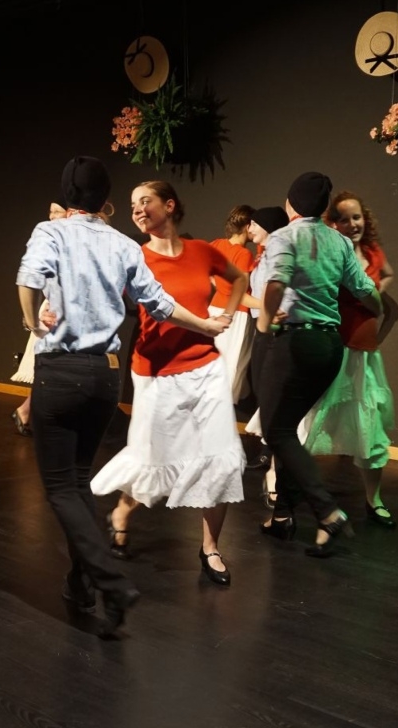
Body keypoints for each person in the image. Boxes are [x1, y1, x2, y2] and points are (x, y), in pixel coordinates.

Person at [16, 156, 226, 637]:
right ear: (104, 199)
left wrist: (33, 325)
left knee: (62, 488)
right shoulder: (123, 244)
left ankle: (110, 582)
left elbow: (28, 281)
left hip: (61, 371)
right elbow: (161, 304)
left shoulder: (51, 232)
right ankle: (81, 582)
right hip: (105, 377)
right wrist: (205, 324)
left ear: (67, 195)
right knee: (78, 482)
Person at [90, 181, 248, 587]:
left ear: (170, 205)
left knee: (220, 457)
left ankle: (210, 547)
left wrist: (227, 315)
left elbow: (238, 278)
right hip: (156, 372)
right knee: (153, 459)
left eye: (145, 201)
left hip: (206, 367)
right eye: (132, 204)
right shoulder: (134, 257)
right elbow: (104, 298)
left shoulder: (201, 251)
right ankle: (123, 510)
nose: (137, 210)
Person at [253, 172, 381, 558]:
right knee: (288, 430)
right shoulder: (338, 241)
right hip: (328, 346)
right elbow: (366, 290)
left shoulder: (284, 237)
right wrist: (379, 312)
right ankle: (282, 516)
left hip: (295, 342)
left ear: (290, 203)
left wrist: (264, 324)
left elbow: (276, 284)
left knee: (276, 431)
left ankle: (327, 512)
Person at [300, 192, 398, 528]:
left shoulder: (372, 252)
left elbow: (387, 274)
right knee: (311, 421)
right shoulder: (330, 253)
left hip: (365, 354)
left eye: (357, 217)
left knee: (371, 428)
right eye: (344, 219)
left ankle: (374, 500)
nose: (353, 224)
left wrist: (377, 295)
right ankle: (283, 490)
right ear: (332, 223)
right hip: (334, 348)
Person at [242, 206, 290, 490]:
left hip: (275, 330)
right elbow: (248, 297)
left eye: (254, 224)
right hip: (261, 327)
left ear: (268, 226)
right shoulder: (262, 257)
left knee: (273, 393)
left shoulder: (279, 257)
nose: (249, 229)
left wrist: (270, 310)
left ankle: (270, 454)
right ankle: (266, 449)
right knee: (262, 389)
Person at [11, 201, 67, 437]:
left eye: (57, 211)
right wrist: (33, 319)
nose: (52, 216)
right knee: (51, 368)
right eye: (50, 211)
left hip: (65, 312)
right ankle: (29, 412)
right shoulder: (48, 241)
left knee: (56, 370)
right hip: (53, 311)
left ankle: (27, 411)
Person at [208, 205, 264, 404]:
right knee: (232, 364)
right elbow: (240, 295)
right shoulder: (243, 254)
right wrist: (268, 305)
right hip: (236, 315)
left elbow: (208, 273)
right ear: (247, 226)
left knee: (215, 363)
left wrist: (220, 287)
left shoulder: (216, 244)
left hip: (214, 310)